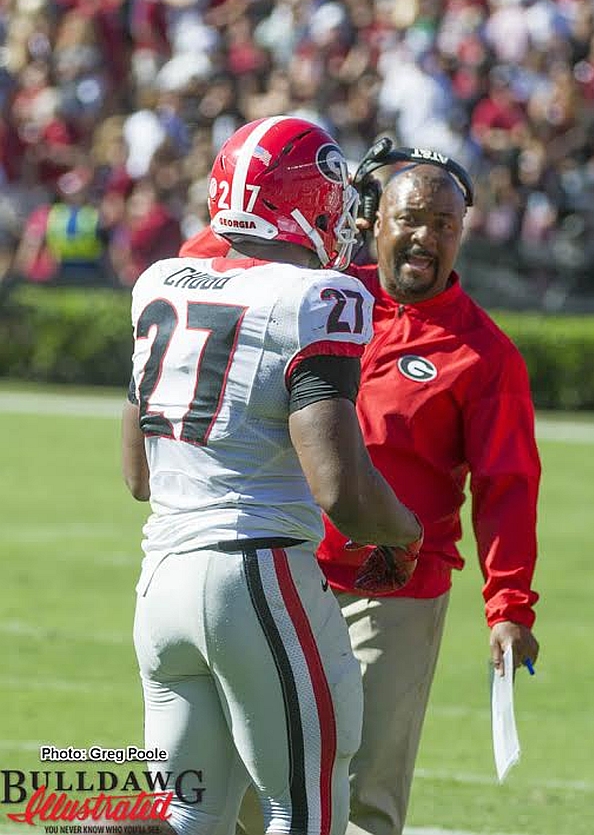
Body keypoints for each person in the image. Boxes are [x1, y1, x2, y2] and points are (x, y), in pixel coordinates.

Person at [122, 116, 424, 835]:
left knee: (187, 815)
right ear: (306, 199)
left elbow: (136, 471)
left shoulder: (160, 282)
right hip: (257, 575)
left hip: (161, 581)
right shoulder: (318, 296)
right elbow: (341, 490)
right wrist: (408, 531)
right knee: (306, 809)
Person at [228, 158, 542, 835]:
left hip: (394, 589)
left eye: (444, 224)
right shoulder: (321, 298)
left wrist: (509, 605)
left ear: (462, 235)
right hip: (289, 568)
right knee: (257, 780)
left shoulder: (485, 354)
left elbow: (506, 488)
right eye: (411, 219)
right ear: (373, 222)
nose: (426, 237)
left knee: (367, 789)